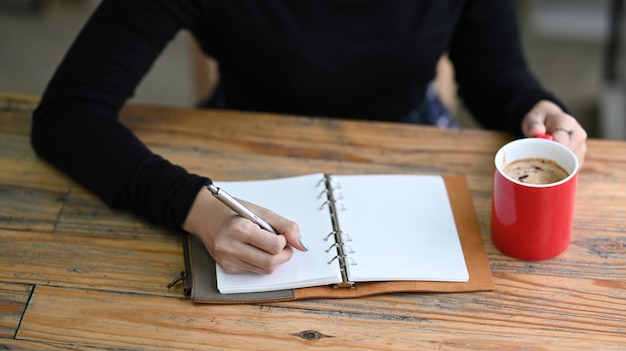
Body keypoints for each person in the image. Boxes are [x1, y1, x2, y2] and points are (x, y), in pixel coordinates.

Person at [31, 0, 588, 275]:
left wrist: (531, 107)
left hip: (409, 131)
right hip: (242, 140)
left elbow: (494, 75)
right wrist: (192, 206)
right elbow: (67, 115)